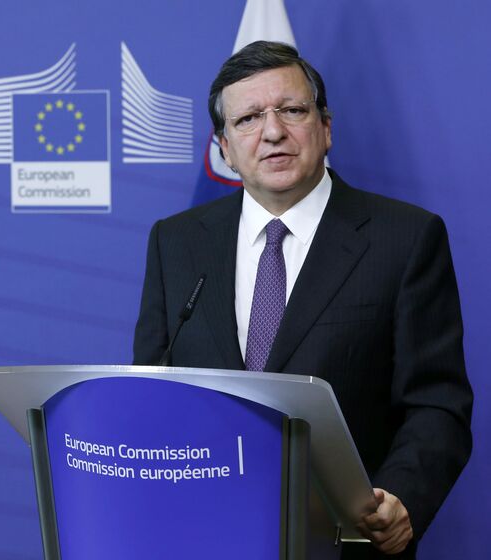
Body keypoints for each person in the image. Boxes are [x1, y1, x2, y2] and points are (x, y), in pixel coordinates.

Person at [133, 41, 472, 559]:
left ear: (326, 127)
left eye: (291, 110)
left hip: (346, 539)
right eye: (248, 119)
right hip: (203, 535)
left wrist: (402, 497)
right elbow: (152, 392)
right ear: (224, 148)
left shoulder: (404, 238)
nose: (272, 132)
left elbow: (436, 403)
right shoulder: (175, 242)